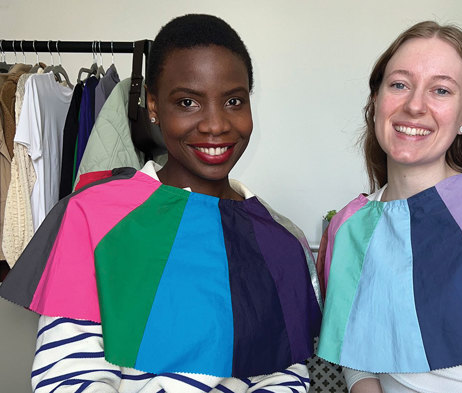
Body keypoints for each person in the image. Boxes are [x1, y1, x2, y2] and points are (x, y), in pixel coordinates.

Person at [0, 14, 322, 392]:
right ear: (153, 105)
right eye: (188, 102)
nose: (215, 124)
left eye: (234, 100)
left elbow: (283, 375)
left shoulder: (280, 241)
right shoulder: (92, 217)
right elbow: (69, 378)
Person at [316, 21, 462, 393]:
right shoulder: (347, 226)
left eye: (441, 90)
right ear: (376, 99)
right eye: (399, 84)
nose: (414, 105)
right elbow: (356, 355)